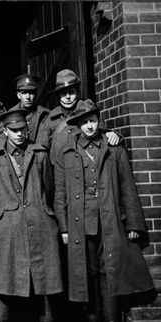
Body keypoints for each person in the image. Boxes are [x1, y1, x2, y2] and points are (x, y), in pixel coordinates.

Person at [53, 99, 154, 321]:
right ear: (77, 125)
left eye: (93, 120)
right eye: (85, 122)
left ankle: (111, 318)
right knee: (86, 275)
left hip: (110, 221)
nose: (90, 126)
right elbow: (60, 194)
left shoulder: (114, 150)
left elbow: (128, 188)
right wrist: (64, 228)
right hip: (81, 224)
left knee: (109, 272)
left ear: (99, 121)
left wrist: (133, 223)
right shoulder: (67, 153)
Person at [0, 109, 62, 322]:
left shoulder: (39, 154)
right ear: (5, 132)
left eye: (22, 129)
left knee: (43, 283)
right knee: (5, 284)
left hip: (40, 224)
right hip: (7, 229)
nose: (19, 134)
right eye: (13, 130)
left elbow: (49, 188)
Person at [42, 69, 120, 159]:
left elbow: (103, 134)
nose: (67, 97)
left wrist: (112, 134)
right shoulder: (50, 120)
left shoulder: (89, 112)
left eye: (71, 92)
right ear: (58, 96)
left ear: (77, 93)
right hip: (60, 169)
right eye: (63, 93)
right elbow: (42, 151)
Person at [9, 74, 49, 145]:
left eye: (31, 93)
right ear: (18, 95)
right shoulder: (11, 114)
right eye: (24, 93)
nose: (28, 97)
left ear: (36, 94)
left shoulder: (45, 115)